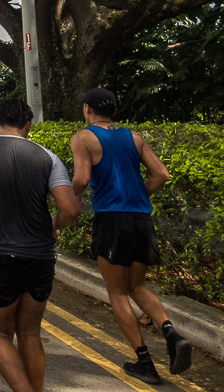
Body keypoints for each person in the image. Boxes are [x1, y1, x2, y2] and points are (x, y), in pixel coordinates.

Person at [0, 98, 81, 392]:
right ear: (28, 125)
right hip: (40, 256)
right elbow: (70, 209)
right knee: (30, 334)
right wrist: (54, 226)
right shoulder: (48, 157)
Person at [70, 88, 191, 384]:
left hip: (112, 220)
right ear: (113, 110)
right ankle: (170, 333)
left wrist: (70, 197)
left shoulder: (83, 138)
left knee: (117, 292)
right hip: (141, 219)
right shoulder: (135, 137)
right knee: (137, 285)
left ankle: (144, 361)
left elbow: (83, 178)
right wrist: (137, 196)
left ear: (87, 109)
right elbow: (161, 173)